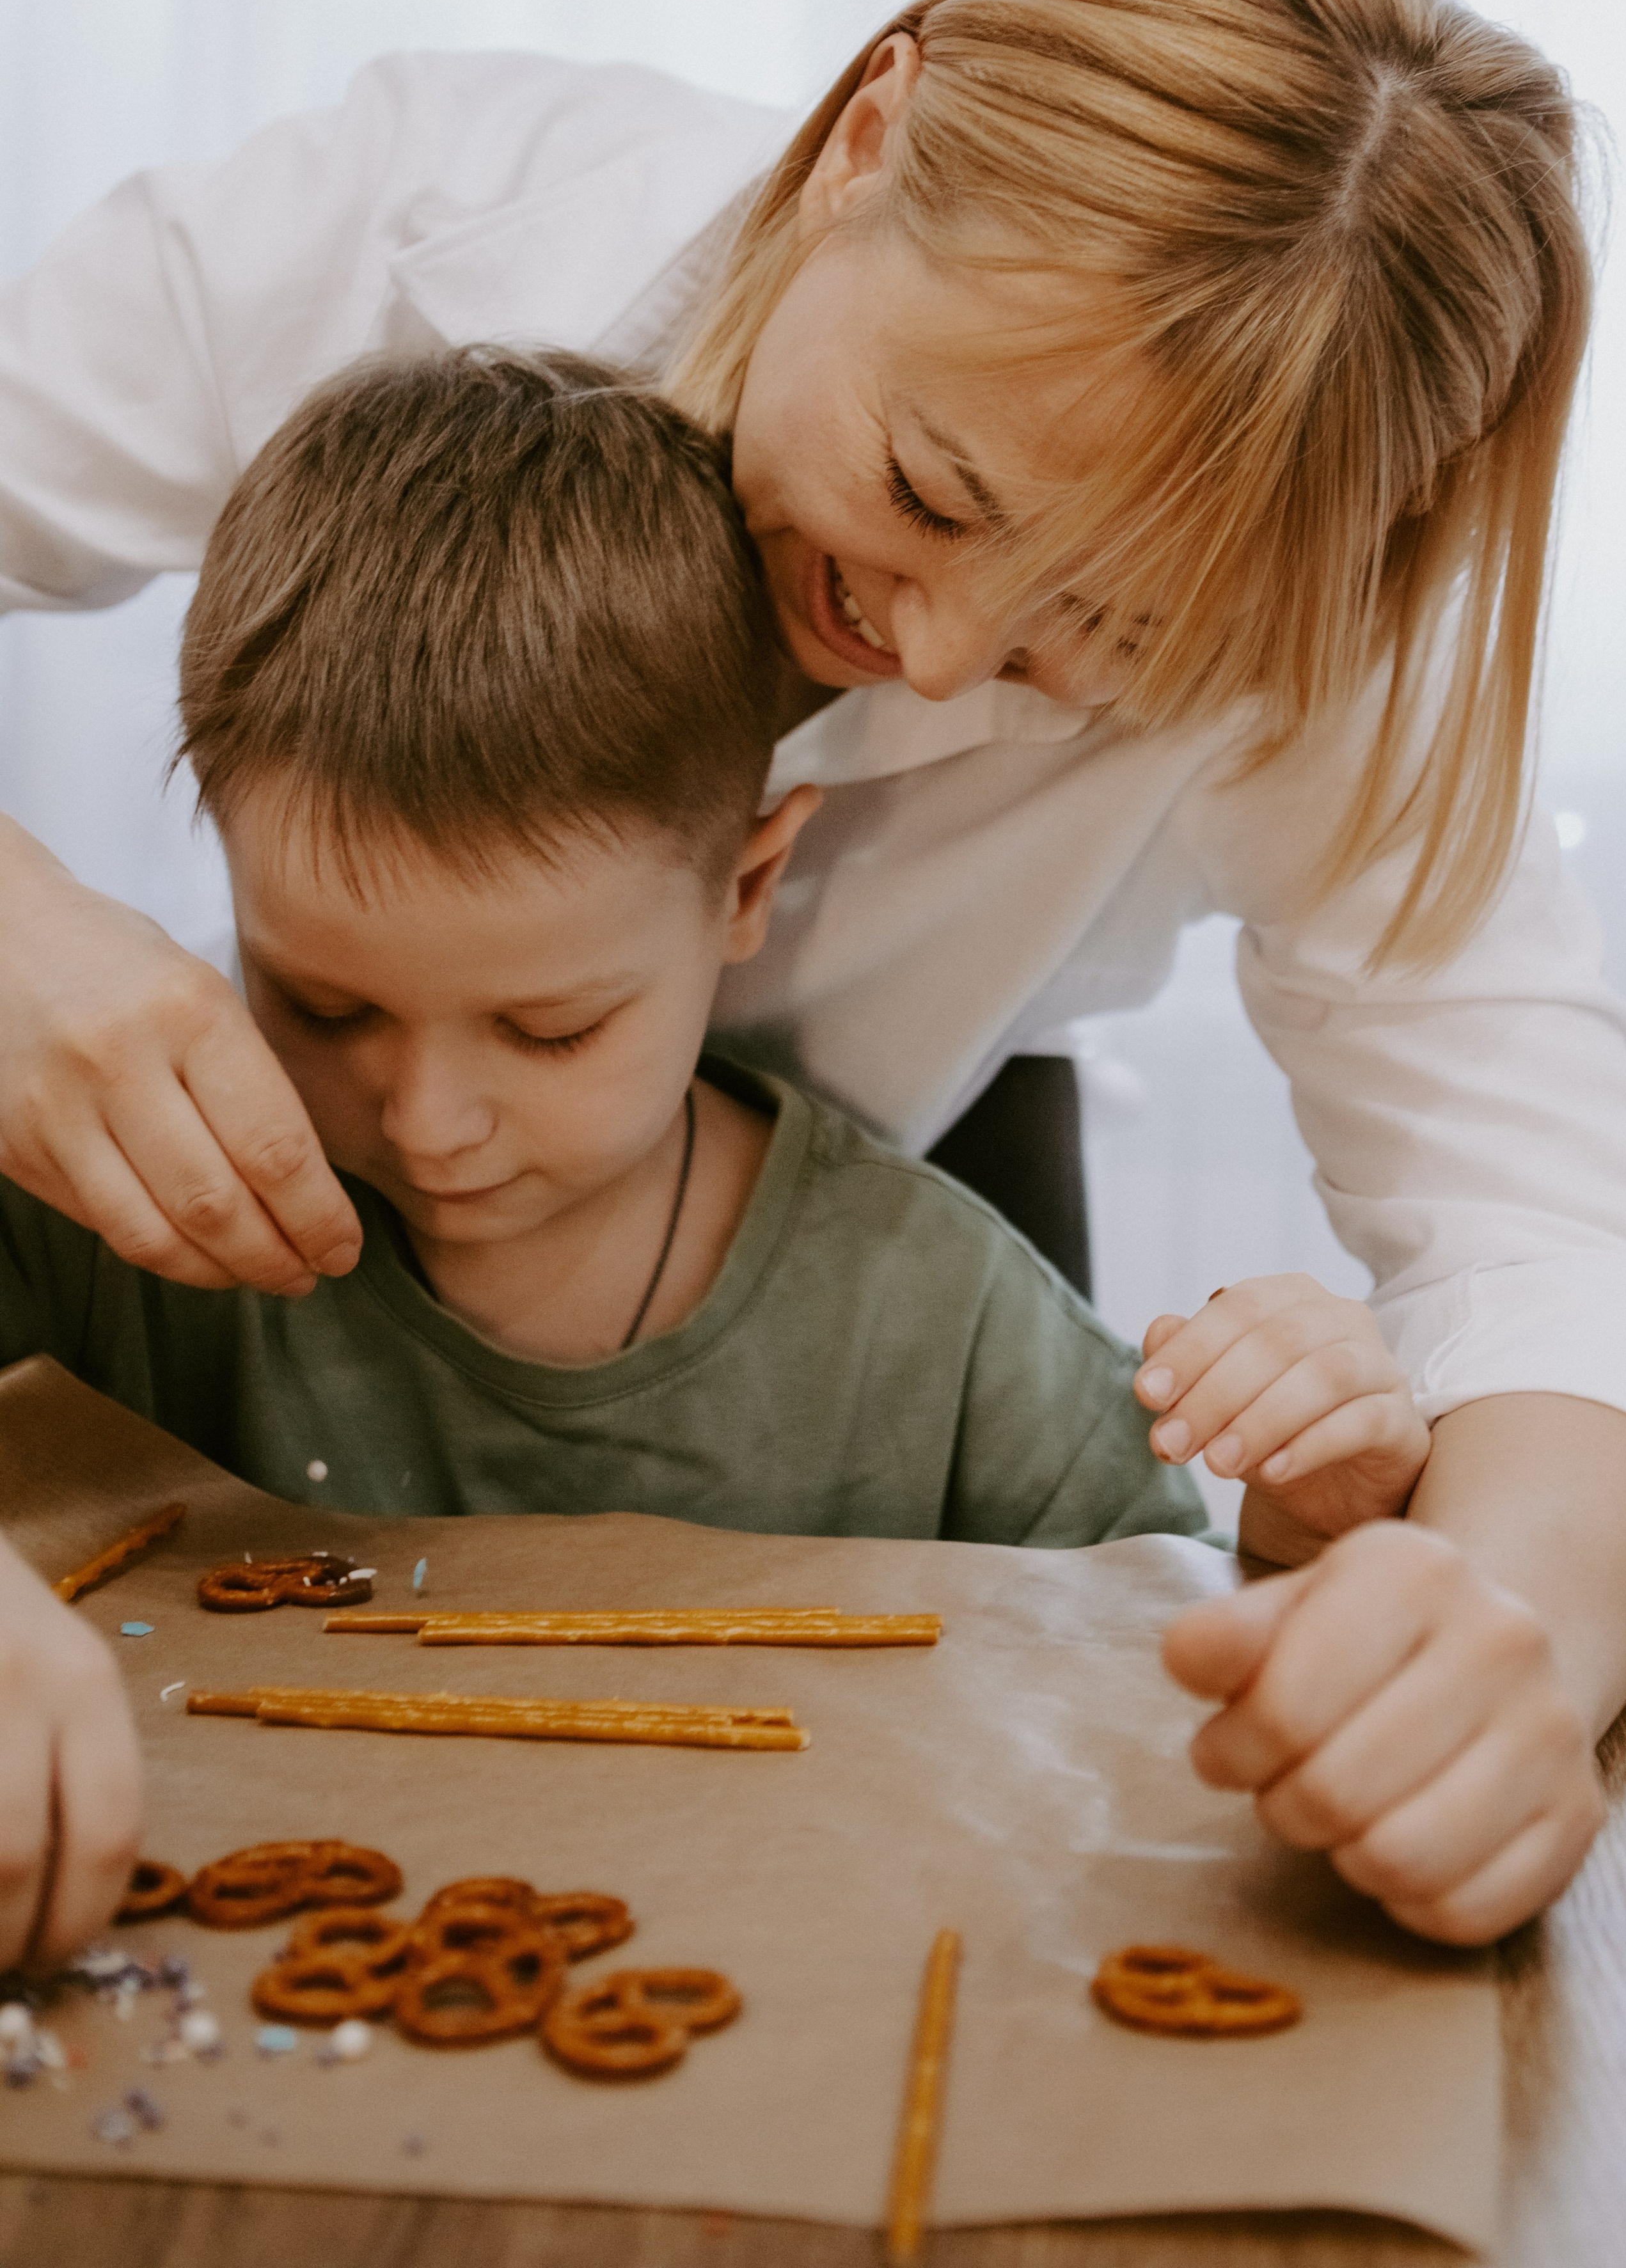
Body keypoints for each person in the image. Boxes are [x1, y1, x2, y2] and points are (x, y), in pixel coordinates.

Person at [0, 0, 1626, 1955]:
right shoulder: (401, 220)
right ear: (872, 128)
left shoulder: (1299, 607)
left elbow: (1540, 1237)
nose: (936, 664)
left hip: (867, 1242)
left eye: (1105, 638)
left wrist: (1502, 1655)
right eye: (934, 488)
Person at [0, 343, 1433, 1969]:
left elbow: (1173, 1683)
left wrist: (1307, 1533)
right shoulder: (100, 1204)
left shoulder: (936, 1324)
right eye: (320, 1003)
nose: (423, 1121)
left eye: (548, 1031)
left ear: (745, 890)